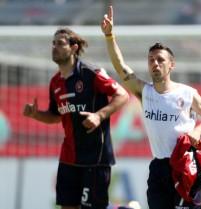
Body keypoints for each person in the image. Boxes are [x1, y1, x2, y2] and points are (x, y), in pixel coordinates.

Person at [101, 6, 201, 209]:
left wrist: (197, 130)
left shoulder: (186, 93)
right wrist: (110, 36)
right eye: (151, 60)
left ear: (171, 65)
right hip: (158, 167)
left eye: (160, 60)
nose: (155, 64)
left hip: (184, 165)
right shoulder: (145, 92)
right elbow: (121, 68)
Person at [23, 27, 129, 209]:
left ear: (74, 48)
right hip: (68, 157)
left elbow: (123, 95)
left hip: (95, 157)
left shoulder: (91, 73)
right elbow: (56, 116)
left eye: (60, 43)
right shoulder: (55, 82)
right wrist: (36, 115)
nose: (54, 47)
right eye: (53, 43)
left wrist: (99, 115)